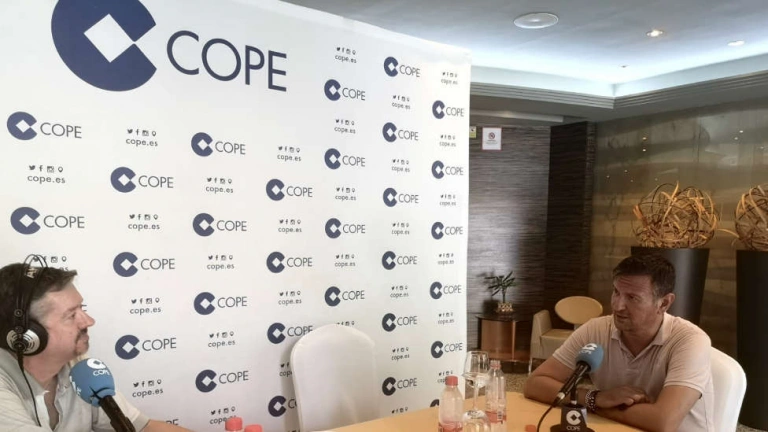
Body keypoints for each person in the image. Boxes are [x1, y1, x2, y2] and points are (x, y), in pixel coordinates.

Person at [524, 254, 714, 432]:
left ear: (664, 303)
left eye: (632, 298)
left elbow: (663, 421)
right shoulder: (596, 330)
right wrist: (594, 397)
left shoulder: (690, 341)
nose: (617, 305)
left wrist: (594, 406)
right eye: (616, 292)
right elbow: (534, 384)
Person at [0, 259, 192, 431]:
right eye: (71, 315)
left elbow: (144, 428)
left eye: (82, 309)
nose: (89, 321)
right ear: (28, 337)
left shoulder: (81, 369)